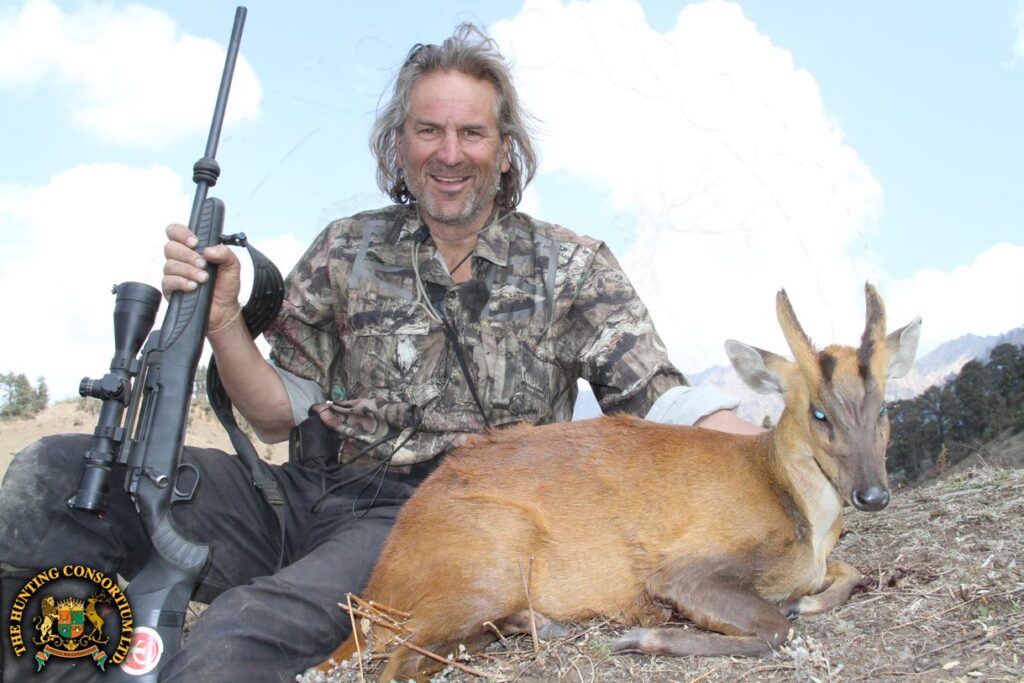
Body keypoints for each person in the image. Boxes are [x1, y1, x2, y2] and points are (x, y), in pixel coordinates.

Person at [0, 24, 757, 682]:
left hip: (431, 521)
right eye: (429, 131)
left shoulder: (572, 267)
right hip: (297, 496)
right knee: (57, 480)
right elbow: (272, 414)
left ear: (505, 150)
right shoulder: (343, 249)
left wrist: (782, 456)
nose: (449, 153)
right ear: (399, 145)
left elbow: (661, 401)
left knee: (234, 633)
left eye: (472, 134)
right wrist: (225, 320)